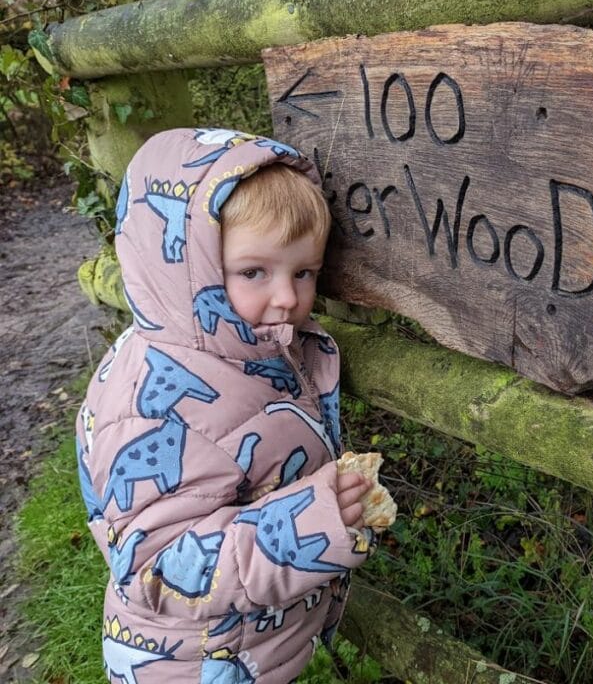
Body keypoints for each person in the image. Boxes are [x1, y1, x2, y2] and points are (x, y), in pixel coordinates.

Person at [75, 127, 374, 683]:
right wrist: (304, 524)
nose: (287, 297)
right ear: (189, 270)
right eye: (254, 272)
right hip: (193, 663)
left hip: (246, 648)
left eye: (303, 272)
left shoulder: (243, 353)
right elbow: (153, 565)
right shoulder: (153, 407)